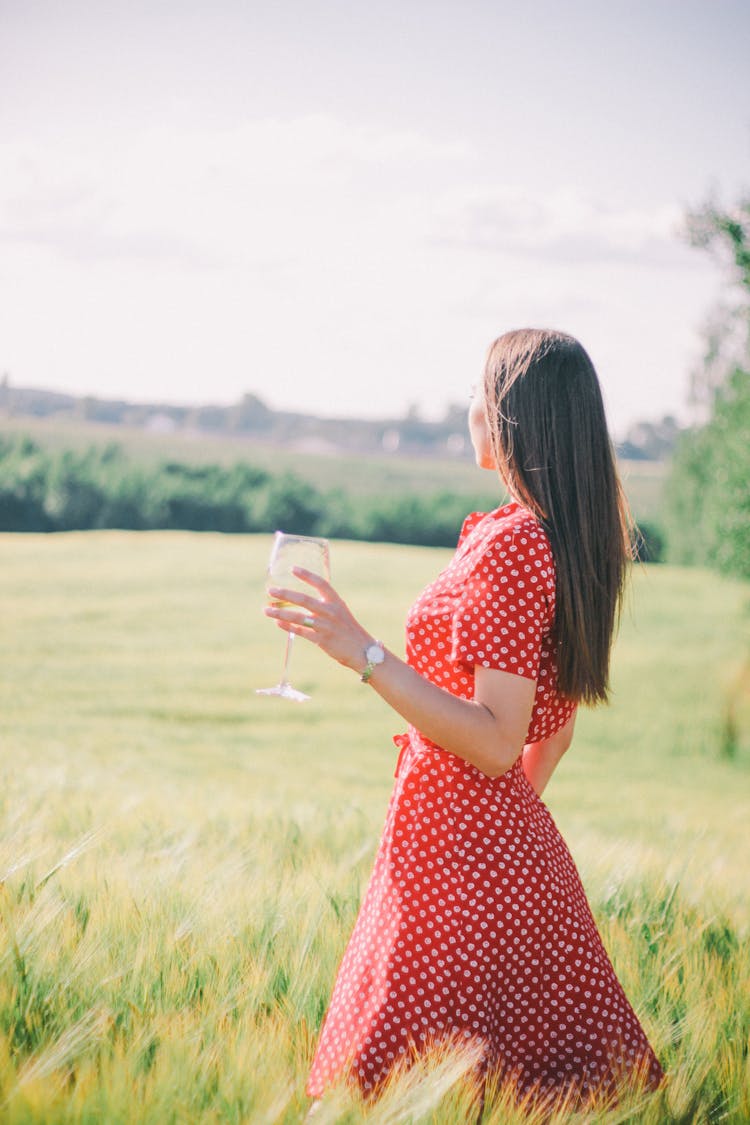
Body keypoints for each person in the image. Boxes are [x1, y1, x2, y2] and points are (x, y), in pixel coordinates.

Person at [264, 328, 664, 1110]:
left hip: (453, 858)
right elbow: (555, 730)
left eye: (480, 395)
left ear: (513, 417)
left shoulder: (515, 546)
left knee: (385, 1087)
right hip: (497, 853)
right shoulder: (565, 540)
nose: (469, 411)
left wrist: (362, 650)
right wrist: (507, 828)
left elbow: (494, 738)